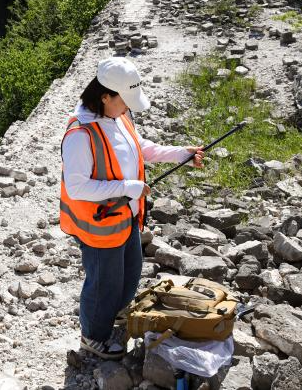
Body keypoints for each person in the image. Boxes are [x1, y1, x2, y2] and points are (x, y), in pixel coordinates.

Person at [60, 56, 204, 360]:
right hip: (98, 225)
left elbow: (141, 148)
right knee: (103, 284)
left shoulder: (118, 117)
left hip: (126, 216)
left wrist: (181, 154)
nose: (128, 108)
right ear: (105, 97)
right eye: (125, 101)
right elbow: (77, 187)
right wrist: (128, 188)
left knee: (129, 273)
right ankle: (93, 336)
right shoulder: (79, 135)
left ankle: (113, 315)